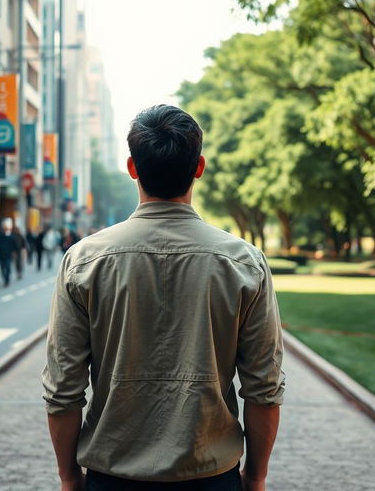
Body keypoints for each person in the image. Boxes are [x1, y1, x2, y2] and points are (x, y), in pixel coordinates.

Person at [42, 105, 284, 491]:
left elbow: (62, 390)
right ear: (199, 167)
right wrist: (255, 477)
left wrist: (70, 479)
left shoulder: (84, 260)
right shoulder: (244, 263)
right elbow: (264, 388)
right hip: (211, 476)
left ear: (132, 168)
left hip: (111, 478)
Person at [0, 218, 18, 287]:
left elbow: (15, 246)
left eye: (6, 227)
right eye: (4, 227)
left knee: (8, 267)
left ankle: (7, 280)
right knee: (2, 268)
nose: (5, 229)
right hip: (1, 255)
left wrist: (14, 253)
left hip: (8, 255)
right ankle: (5, 278)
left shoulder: (12, 237)